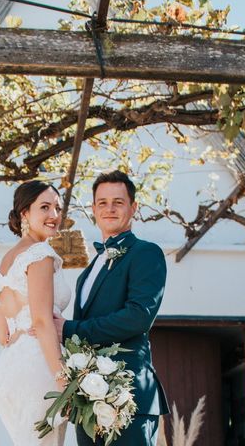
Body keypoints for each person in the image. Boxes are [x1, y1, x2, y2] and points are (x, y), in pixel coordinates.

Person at [53, 170, 169, 446]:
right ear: (93, 209)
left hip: (128, 396)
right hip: (88, 400)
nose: (110, 209)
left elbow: (138, 316)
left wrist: (69, 329)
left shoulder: (146, 253)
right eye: (102, 203)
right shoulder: (88, 271)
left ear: (133, 208)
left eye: (118, 202)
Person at [0, 180, 71, 446]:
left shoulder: (8, 260)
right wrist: (64, 383)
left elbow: (2, 334)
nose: (54, 216)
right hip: (39, 366)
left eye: (58, 208)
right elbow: (41, 320)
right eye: (45, 207)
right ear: (25, 212)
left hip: (10, 368)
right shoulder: (40, 254)